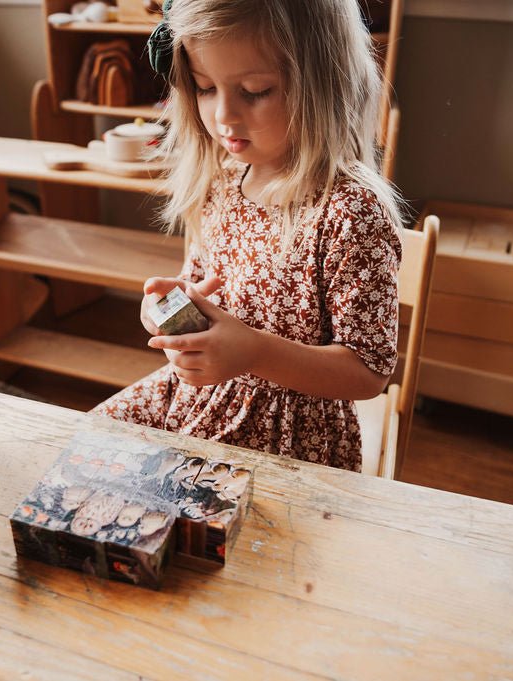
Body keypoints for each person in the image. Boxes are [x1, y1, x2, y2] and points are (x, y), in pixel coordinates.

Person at [92, 0, 403, 472]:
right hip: (199, 395)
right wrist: (171, 309)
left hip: (291, 434)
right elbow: (199, 286)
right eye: (205, 88)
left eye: (255, 91)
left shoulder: (351, 213)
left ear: (323, 82)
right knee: (88, 451)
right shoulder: (221, 180)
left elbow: (368, 373)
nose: (224, 116)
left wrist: (253, 351)